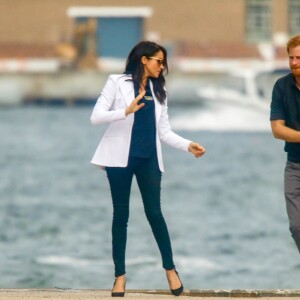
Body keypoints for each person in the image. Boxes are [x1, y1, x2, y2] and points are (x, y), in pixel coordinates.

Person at [90, 41, 206, 297]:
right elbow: (96, 117)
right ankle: (119, 277)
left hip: (149, 159)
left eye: (163, 62)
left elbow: (163, 132)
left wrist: (188, 145)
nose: (162, 66)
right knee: (121, 216)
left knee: (155, 213)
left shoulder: (159, 90)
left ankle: (170, 270)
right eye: (158, 61)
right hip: (119, 159)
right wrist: (125, 111)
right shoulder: (116, 82)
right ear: (144, 59)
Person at [270, 35, 300, 253]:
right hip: (295, 166)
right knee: (297, 226)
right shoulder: (281, 86)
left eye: (299, 58)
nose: (294, 62)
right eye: (291, 58)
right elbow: (277, 129)